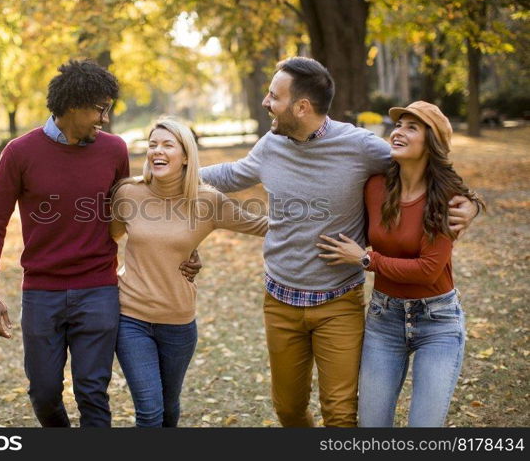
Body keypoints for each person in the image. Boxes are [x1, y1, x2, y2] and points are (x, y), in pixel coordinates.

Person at [199, 57, 479, 427]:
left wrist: (470, 204)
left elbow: (428, 163)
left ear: (301, 107)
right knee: (288, 410)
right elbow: (232, 174)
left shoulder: (360, 147)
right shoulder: (271, 145)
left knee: (341, 414)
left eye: (273, 96)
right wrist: (171, 174)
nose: (266, 102)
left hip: (339, 301)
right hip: (280, 299)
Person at [0, 60, 199, 427]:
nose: (104, 118)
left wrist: (187, 246)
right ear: (73, 105)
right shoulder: (19, 152)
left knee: (92, 392)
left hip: (98, 289)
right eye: (100, 108)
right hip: (41, 292)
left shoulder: (113, 150)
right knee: (44, 393)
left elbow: (136, 210)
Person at [316, 101, 484, 426]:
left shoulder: (446, 197)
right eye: (398, 125)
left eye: (411, 127)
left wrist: (366, 259)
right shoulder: (376, 187)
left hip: (437, 321)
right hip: (385, 319)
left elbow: (427, 270)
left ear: (431, 142)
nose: (398, 132)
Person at [109, 117, 268, 427]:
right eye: (152, 145)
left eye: (168, 145)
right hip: (131, 318)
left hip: (178, 323)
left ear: (185, 156)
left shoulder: (207, 201)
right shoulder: (128, 194)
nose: (158, 151)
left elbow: (262, 226)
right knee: (150, 411)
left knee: (169, 409)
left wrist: (322, 224)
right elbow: (109, 239)